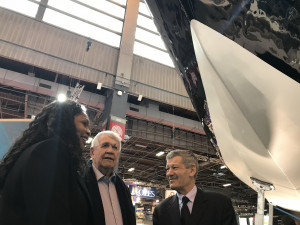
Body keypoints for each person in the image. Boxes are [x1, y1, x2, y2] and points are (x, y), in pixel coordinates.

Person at [0, 100, 94, 225]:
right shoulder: (48, 152)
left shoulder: (40, 151)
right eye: (84, 123)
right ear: (64, 121)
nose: (88, 131)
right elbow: (52, 218)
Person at [153, 150, 237, 225]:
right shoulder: (161, 210)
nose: (169, 173)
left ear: (192, 170)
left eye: (174, 168)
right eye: (167, 169)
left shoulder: (220, 204)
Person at [84, 130, 136, 225]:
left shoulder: (123, 189)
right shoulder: (79, 182)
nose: (110, 151)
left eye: (115, 147)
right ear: (92, 152)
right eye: (105, 145)